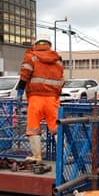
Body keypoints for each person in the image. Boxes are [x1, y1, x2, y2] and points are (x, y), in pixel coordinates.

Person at [17, 34, 64, 163]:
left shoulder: (31, 56)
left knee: (33, 128)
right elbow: (61, 79)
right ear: (50, 44)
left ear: (36, 43)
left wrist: (20, 90)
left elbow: (25, 74)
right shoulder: (57, 59)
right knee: (57, 128)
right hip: (52, 99)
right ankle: (64, 156)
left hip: (35, 98)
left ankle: (37, 157)